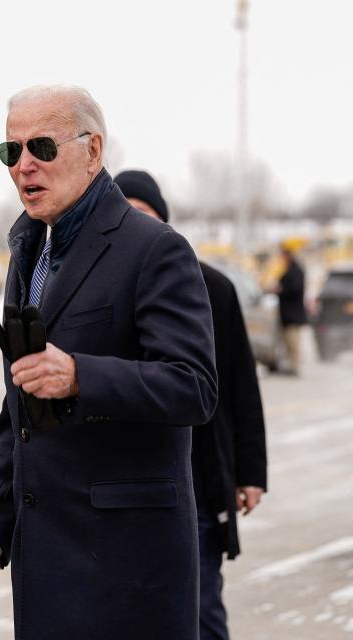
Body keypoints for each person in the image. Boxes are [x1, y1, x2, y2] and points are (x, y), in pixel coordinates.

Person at [0, 86, 218, 639]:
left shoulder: (154, 248)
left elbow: (193, 387)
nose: (24, 166)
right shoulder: (30, 251)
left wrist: (81, 375)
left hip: (126, 567)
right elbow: (21, 408)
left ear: (93, 151)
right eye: (12, 152)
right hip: (47, 562)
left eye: (42, 148)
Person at [116, 169, 268, 640]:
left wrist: (249, 473)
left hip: (199, 479)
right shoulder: (100, 290)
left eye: (146, 216)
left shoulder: (212, 287)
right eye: (127, 217)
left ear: (164, 223)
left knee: (201, 610)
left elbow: (241, 384)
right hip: (125, 482)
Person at [276, 244, 307, 374]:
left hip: (293, 313)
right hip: (287, 313)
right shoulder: (289, 269)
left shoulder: (296, 270)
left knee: (293, 341)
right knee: (288, 341)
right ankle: (291, 364)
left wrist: (281, 289)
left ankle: (294, 366)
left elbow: (295, 289)